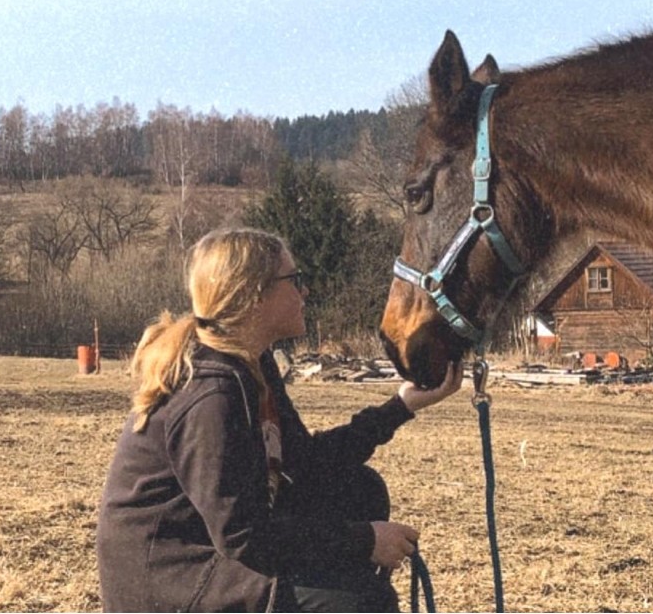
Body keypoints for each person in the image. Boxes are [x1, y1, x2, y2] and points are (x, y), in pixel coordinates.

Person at [96, 228, 463, 613]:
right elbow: (241, 535)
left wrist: (400, 407)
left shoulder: (253, 364)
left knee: (358, 490)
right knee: (359, 604)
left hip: (212, 555)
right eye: (294, 281)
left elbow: (306, 464)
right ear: (254, 295)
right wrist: (365, 541)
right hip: (171, 582)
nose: (304, 293)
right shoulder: (210, 392)